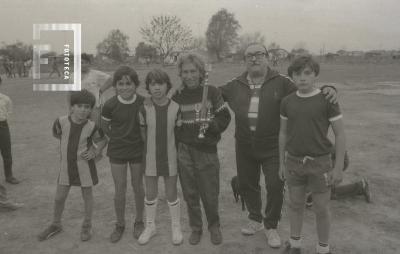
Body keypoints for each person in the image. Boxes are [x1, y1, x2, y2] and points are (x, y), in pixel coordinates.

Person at [219, 43, 337, 249]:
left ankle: (271, 225)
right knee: (248, 183)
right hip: (244, 145)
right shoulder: (234, 84)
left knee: (275, 185)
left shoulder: (282, 82)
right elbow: (212, 95)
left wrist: (330, 89)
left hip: (273, 146)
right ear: (244, 60)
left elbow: (307, 89)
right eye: (249, 56)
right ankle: (255, 219)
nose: (254, 59)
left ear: (267, 57)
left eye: (259, 54)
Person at [279, 55, 346, 254]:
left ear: (315, 74)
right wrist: (282, 164)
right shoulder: (287, 102)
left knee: (321, 208)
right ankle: (295, 244)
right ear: (291, 77)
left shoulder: (327, 100)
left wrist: (338, 166)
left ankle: (323, 248)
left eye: (307, 73)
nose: (302, 78)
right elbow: (282, 133)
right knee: (295, 203)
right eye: (297, 74)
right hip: (294, 162)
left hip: (320, 163)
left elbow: (340, 133)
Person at [172, 53, 231, 245]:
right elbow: (171, 121)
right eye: (185, 72)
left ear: (200, 72)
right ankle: (196, 227)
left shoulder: (212, 92)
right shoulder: (177, 95)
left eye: (193, 71)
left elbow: (225, 117)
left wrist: (210, 124)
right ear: (180, 73)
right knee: (190, 192)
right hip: (184, 150)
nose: (189, 75)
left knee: (209, 192)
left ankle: (214, 226)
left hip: (206, 150)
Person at [37, 89, 107, 242]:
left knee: (87, 197)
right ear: (72, 107)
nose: (83, 110)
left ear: (91, 109)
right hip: (66, 168)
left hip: (85, 168)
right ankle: (56, 224)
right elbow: (57, 135)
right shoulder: (60, 122)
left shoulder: (92, 126)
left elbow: (102, 140)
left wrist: (95, 151)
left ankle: (87, 226)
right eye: (80, 106)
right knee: (59, 198)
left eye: (87, 107)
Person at [137, 69, 183, 245]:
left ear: (167, 86)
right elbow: (143, 133)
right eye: (153, 84)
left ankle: (176, 226)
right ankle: (150, 226)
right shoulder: (144, 108)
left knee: (171, 193)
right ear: (148, 87)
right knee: (150, 194)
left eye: (161, 83)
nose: (157, 88)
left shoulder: (176, 107)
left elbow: (178, 135)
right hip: (150, 159)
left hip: (170, 157)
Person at [101, 66, 145, 243]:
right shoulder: (110, 104)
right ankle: (119, 224)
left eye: (129, 83)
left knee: (138, 186)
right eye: (120, 84)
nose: (125, 87)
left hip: (137, 150)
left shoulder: (144, 102)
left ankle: (139, 221)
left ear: (136, 85)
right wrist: (117, 138)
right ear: (115, 86)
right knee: (120, 188)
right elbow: (105, 127)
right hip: (117, 151)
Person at [80, 53, 114, 125]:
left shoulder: (96, 74)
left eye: (86, 63)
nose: (83, 65)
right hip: (80, 106)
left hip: (95, 105)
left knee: (95, 126)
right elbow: (71, 92)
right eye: (81, 63)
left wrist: (101, 90)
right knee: (82, 126)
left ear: (89, 64)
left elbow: (111, 80)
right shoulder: (74, 76)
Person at [0, 76, 19, 184]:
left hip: (3, 127)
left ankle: (9, 176)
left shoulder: (5, 99)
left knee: (6, 153)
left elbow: (9, 113)